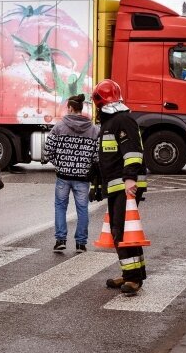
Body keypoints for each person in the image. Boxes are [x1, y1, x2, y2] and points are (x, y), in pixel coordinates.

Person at [91, 79, 148, 296]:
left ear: (100, 102)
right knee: (125, 232)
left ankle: (132, 278)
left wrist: (130, 179)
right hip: (116, 185)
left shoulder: (122, 120)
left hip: (125, 185)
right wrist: (97, 184)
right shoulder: (111, 122)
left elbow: (132, 151)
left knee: (120, 231)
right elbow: (107, 158)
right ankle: (133, 273)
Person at [43, 93, 99, 254]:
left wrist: (58, 164)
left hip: (63, 176)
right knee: (82, 209)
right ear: (81, 109)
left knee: (60, 207)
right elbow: (96, 156)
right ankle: (81, 243)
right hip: (82, 177)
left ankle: (60, 240)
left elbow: (48, 151)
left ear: (70, 108)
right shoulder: (93, 129)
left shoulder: (59, 127)